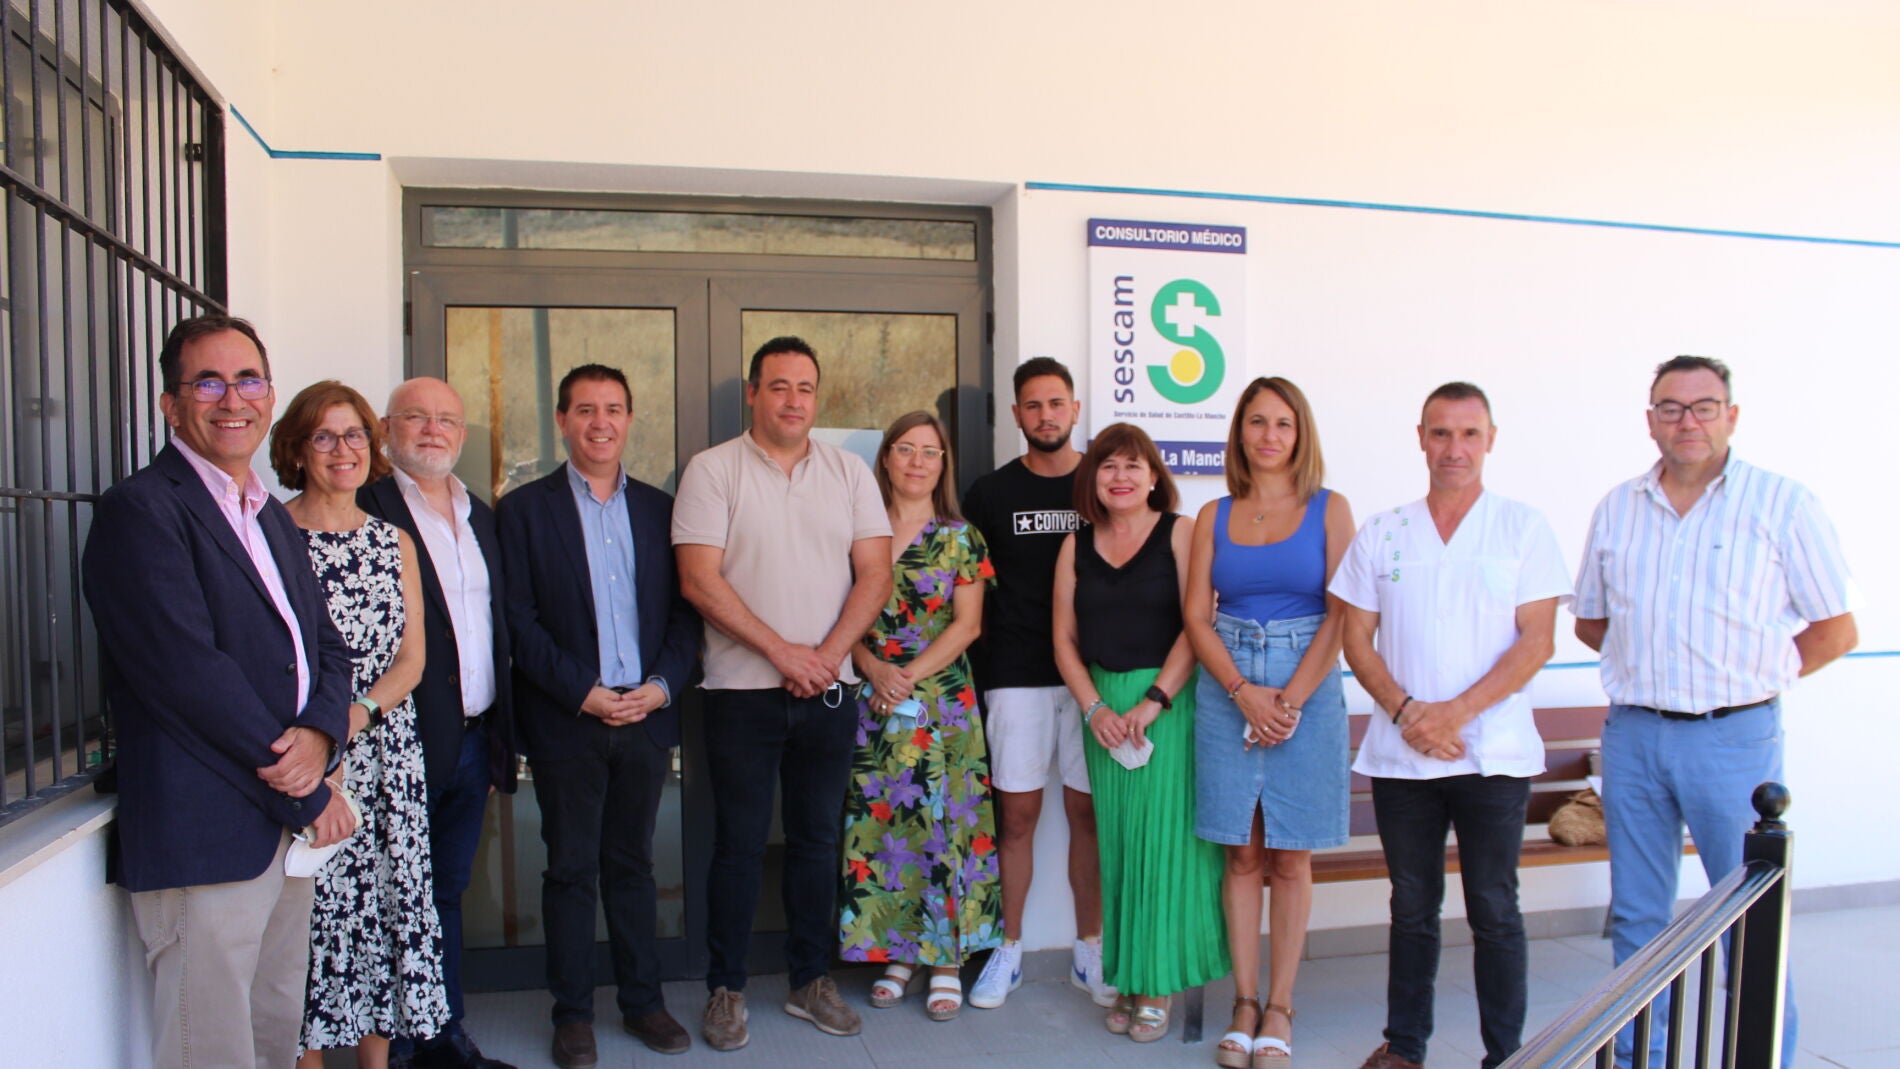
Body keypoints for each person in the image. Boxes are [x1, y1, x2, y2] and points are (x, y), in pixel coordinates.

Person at [82, 314, 358, 1069]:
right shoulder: (141, 509)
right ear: (170, 405)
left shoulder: (264, 512)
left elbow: (326, 647)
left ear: (268, 395)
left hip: (281, 834)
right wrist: (306, 785)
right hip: (206, 833)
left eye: (247, 380)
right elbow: (186, 673)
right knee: (210, 1050)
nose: (231, 399)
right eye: (207, 383)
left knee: (272, 1036)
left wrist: (323, 736)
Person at [1573, 356, 1858, 1069]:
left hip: (1734, 740)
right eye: (1671, 407)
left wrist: (1749, 680)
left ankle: (1763, 1059)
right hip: (1635, 735)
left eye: (1704, 406)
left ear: (1731, 416)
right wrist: (1656, 669)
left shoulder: (1781, 504)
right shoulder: (1617, 507)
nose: (1688, 420)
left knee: (1750, 921)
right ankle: (1640, 1057)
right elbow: (1592, 620)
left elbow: (1835, 629)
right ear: (1650, 421)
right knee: (1638, 917)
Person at [1330, 382, 1571, 1069]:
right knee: (1411, 906)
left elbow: (1536, 641)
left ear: (1491, 439)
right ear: (1420, 438)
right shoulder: (1384, 530)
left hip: (1491, 754)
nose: (1454, 448)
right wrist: (1409, 714)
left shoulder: (1522, 528)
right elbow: (1356, 639)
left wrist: (1452, 715)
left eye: (1469, 433)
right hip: (1403, 757)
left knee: (1494, 907)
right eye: (1441, 433)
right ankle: (1405, 1048)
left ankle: (1506, 1056)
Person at [673, 336, 892, 1050]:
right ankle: (726, 988)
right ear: (753, 393)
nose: (793, 400)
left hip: (829, 692)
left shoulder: (849, 472)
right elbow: (698, 579)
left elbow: (875, 573)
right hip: (741, 693)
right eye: (778, 386)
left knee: (817, 841)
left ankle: (809, 980)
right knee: (738, 845)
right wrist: (783, 652)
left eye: (805, 387)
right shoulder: (713, 470)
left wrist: (825, 658)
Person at [497, 364, 702, 1069]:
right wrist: (580, 689)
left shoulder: (661, 510)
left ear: (630, 418)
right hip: (569, 719)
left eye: (613, 408)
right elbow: (517, 620)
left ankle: (643, 1001)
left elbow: (685, 612)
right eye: (585, 409)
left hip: (644, 716)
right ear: (562, 420)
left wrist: (662, 686)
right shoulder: (524, 511)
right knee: (570, 870)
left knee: (633, 865)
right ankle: (573, 1014)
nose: (600, 422)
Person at [270, 381, 449, 1068]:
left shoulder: (393, 541)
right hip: (308, 755)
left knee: (385, 913)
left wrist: (356, 713)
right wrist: (324, 734)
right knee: (309, 920)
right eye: (324, 436)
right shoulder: (271, 535)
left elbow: (413, 659)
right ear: (297, 449)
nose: (342, 449)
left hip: (386, 754)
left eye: (353, 435)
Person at [1183, 377, 1355, 1068]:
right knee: (1241, 852)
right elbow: (1196, 616)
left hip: (1303, 681)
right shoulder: (1212, 514)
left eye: (1283, 423)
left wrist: (1287, 701)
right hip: (1229, 682)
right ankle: (1245, 1002)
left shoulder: (1331, 508)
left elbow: (1342, 614)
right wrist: (1242, 691)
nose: (1269, 435)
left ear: (1300, 432)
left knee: (1290, 855)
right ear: (1240, 433)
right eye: (1256, 421)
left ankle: (1281, 1006)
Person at [1051, 422, 1229, 1044]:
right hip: (1103, 712)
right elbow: (1063, 639)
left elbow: (1198, 624)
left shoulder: (1181, 533)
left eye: (1133, 465)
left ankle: (1158, 985)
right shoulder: (1075, 545)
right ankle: (1129, 976)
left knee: (1165, 846)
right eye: (1108, 466)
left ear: (1154, 475)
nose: (1120, 476)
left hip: (1168, 707)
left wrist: (1154, 701)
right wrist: (1095, 708)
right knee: (1122, 848)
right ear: (1093, 480)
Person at [359, 376, 518, 1069]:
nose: (433, 430)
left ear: (462, 434)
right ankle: (392, 1046)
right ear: (386, 430)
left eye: (446, 420)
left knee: (445, 891)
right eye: (416, 417)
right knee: (393, 894)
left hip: (474, 738)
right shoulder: (364, 506)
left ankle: (443, 1037)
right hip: (399, 739)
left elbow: (492, 625)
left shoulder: (481, 513)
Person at [960, 356, 1113, 1011]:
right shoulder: (989, 494)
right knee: (1016, 818)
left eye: (1056, 403)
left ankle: (1090, 952)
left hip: (1095, 680)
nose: (1045, 415)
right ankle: (1009, 950)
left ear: (1075, 409)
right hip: (1015, 677)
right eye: (1032, 404)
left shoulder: (1105, 483)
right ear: (1017, 414)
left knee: (1088, 816)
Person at [839, 411, 1002, 1022]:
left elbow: (968, 625)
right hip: (873, 700)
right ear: (886, 458)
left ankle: (946, 960)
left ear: (943, 465)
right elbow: (839, 617)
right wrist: (871, 668)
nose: (917, 461)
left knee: (943, 830)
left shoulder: (962, 537)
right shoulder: (859, 531)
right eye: (906, 449)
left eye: (930, 452)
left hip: (941, 704)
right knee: (888, 834)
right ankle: (900, 953)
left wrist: (903, 675)